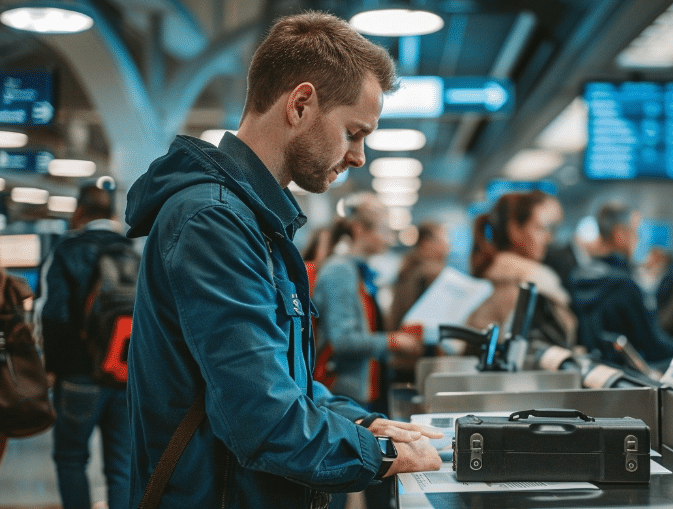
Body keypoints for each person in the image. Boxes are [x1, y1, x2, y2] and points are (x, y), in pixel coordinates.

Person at [123, 12, 440, 509]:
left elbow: (276, 377)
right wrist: (379, 455)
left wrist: (359, 421)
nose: (358, 156)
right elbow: (259, 416)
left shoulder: (255, 222)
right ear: (301, 104)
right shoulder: (214, 222)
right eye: (354, 132)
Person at [34, 183, 132, 509]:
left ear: (79, 212)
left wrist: (50, 371)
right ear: (112, 214)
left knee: (71, 458)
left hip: (79, 375)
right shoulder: (133, 252)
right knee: (120, 466)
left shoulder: (67, 250)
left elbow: (54, 316)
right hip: (124, 375)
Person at [312, 192, 424, 414]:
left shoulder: (359, 272)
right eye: (384, 230)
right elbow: (343, 341)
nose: (390, 239)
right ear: (359, 230)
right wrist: (393, 341)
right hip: (343, 393)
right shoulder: (340, 271)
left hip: (364, 389)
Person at [570, 201, 673, 368]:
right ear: (620, 234)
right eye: (635, 233)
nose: (637, 240)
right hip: (630, 379)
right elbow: (654, 348)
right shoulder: (623, 286)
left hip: (597, 374)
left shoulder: (579, 276)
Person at [466, 190, 577, 352]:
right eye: (540, 228)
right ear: (515, 230)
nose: (548, 238)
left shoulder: (489, 275)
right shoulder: (531, 286)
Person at [387, 221, 450, 331]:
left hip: (402, 336)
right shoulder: (428, 274)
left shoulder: (409, 267)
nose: (447, 245)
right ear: (426, 243)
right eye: (443, 239)